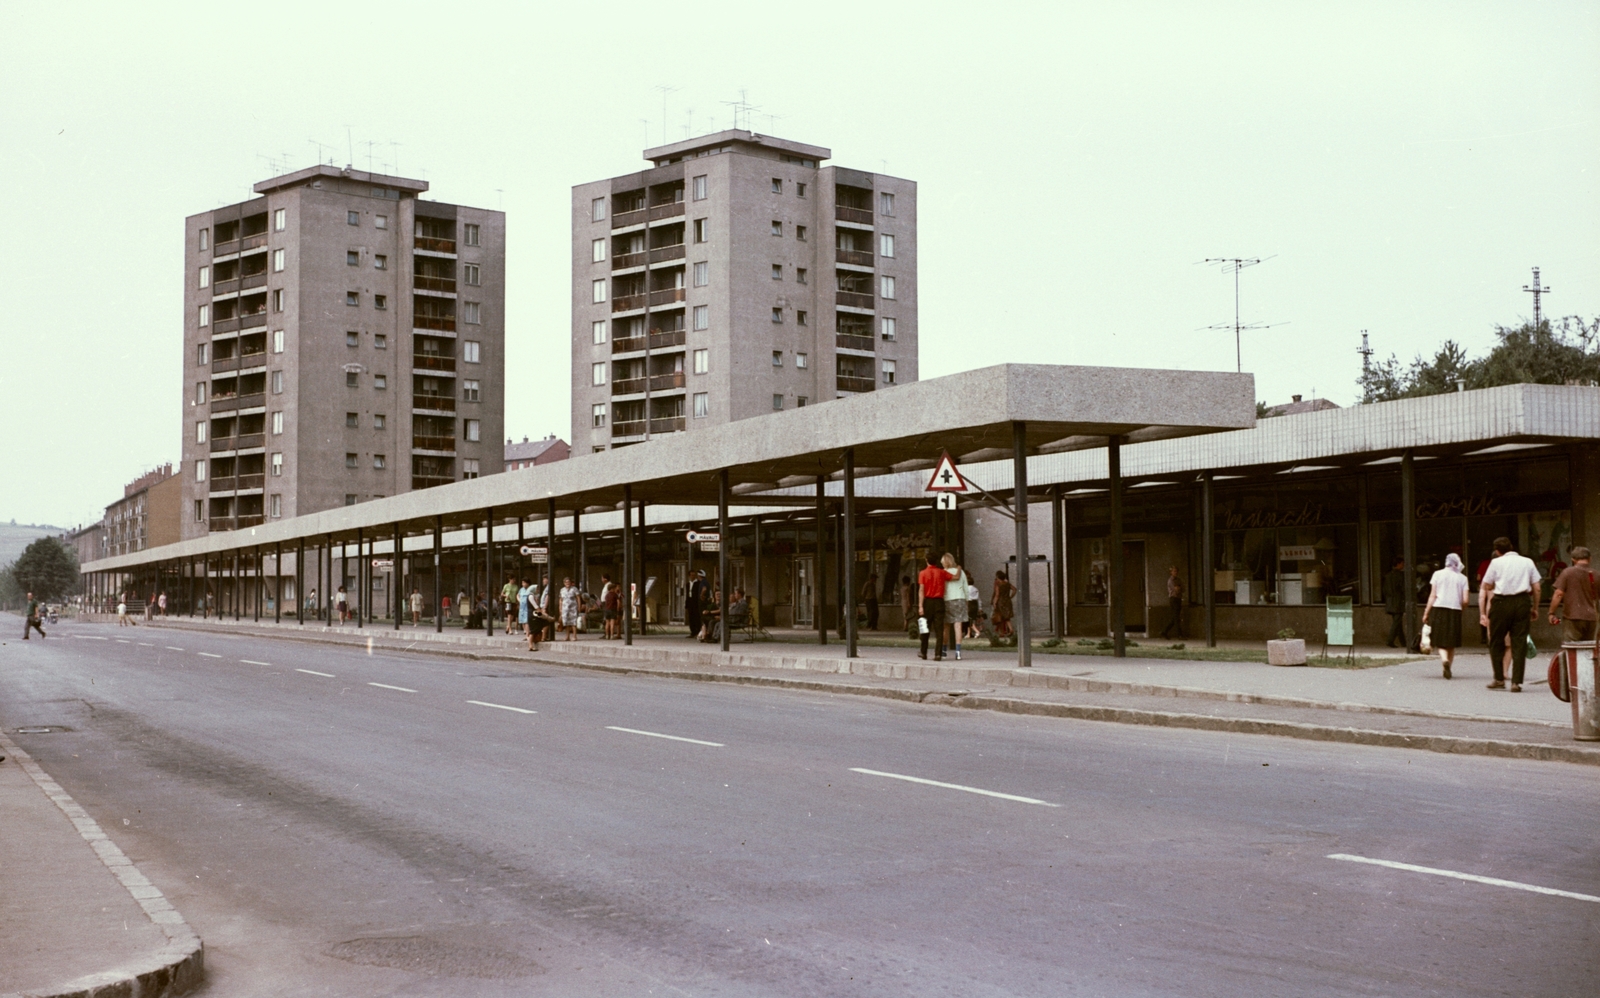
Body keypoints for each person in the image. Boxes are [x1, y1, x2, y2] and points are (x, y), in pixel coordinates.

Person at [1479, 537, 1541, 692]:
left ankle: (1499, 678)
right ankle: (1516, 682)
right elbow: (1537, 587)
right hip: (1522, 601)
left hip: (1501, 602)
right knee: (1519, 641)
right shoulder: (1527, 562)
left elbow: (1486, 584)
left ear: (1497, 551)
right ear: (1512, 547)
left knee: (1496, 640)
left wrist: (1496, 584)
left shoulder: (1496, 563)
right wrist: (1535, 607)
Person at [1422, 553, 1469, 679]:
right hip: (1455, 610)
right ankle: (1448, 667)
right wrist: (1461, 609)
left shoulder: (1437, 574)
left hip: (1439, 609)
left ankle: (1444, 660)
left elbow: (1433, 595)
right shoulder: (1463, 578)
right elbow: (1465, 600)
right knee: (1451, 642)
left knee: (1439, 640)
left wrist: (1426, 612)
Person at [1549, 546, 1596, 643]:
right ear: (1590, 559)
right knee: (1588, 649)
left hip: (1573, 617)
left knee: (1571, 648)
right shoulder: (1597, 574)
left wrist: (1551, 613)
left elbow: (1558, 594)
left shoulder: (1567, 573)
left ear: (1573, 560)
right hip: (1592, 618)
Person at [918, 554, 953, 660]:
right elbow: (955, 577)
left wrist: (920, 606)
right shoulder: (942, 572)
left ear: (926, 560)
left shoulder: (923, 573)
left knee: (924, 627)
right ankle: (938, 653)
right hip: (939, 602)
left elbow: (921, 590)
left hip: (927, 602)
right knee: (939, 629)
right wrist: (958, 568)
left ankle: (923, 652)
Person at [1382, 557, 1408, 648]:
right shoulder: (1401, 576)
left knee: (1398, 623)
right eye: (1402, 563)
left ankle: (1403, 642)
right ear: (1398, 564)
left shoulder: (1388, 576)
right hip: (1398, 602)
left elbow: (1384, 590)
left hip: (1390, 601)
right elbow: (1403, 589)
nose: (1403, 565)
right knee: (1397, 622)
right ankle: (1390, 640)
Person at [1160, 567, 1185, 639]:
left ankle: (1164, 631)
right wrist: (1178, 587)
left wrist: (1179, 587)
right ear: (1171, 572)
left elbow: (1183, 588)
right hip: (1173, 599)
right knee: (1176, 618)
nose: (1175, 572)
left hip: (1178, 599)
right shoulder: (1170, 580)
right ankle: (1179, 635)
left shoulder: (1179, 580)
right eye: (1174, 571)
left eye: (1176, 571)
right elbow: (1176, 589)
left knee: (1175, 618)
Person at [992, 570, 1017, 639]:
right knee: (1007, 617)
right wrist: (1011, 596)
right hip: (1007, 601)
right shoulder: (1007, 584)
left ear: (998, 577)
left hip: (1001, 601)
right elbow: (1014, 589)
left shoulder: (998, 585)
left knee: (1000, 617)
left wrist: (994, 602)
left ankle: (1002, 632)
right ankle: (1010, 629)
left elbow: (997, 595)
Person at [685, 570, 707, 639]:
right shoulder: (688, 584)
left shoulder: (698, 583)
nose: (693, 576)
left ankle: (697, 631)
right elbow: (687, 594)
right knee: (691, 617)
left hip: (696, 602)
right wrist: (686, 603)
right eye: (691, 575)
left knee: (696, 617)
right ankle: (692, 631)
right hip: (690, 601)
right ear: (689, 576)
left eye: (694, 575)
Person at [559, 576, 581, 641]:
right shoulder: (562, 590)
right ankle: (567, 636)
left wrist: (579, 606)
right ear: (564, 583)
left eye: (568, 582)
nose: (567, 583)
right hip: (565, 608)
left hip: (573, 607)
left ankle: (574, 636)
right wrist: (560, 608)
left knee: (573, 622)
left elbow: (578, 598)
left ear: (571, 583)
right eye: (566, 582)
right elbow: (560, 599)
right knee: (566, 622)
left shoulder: (574, 589)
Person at [600, 574, 621, 639]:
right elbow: (618, 602)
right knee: (612, 623)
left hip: (607, 607)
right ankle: (611, 635)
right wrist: (618, 608)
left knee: (607, 622)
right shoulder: (614, 594)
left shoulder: (608, 592)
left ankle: (607, 635)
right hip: (612, 608)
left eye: (602, 578)